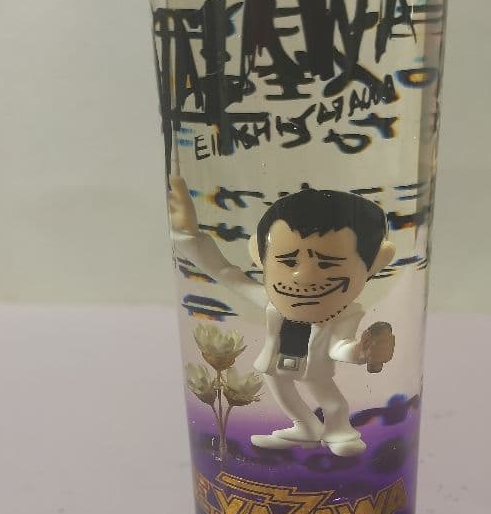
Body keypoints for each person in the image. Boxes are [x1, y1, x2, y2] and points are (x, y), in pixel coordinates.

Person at [168, 177, 396, 456]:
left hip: (314, 367)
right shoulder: (271, 300)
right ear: (259, 255)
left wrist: (361, 351)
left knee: (333, 402)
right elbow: (224, 272)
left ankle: (339, 431)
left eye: (327, 263)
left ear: (376, 263)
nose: (304, 276)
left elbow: (339, 346)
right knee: (284, 394)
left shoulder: (344, 314)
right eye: (288, 261)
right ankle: (305, 427)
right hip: (276, 363)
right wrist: (187, 236)